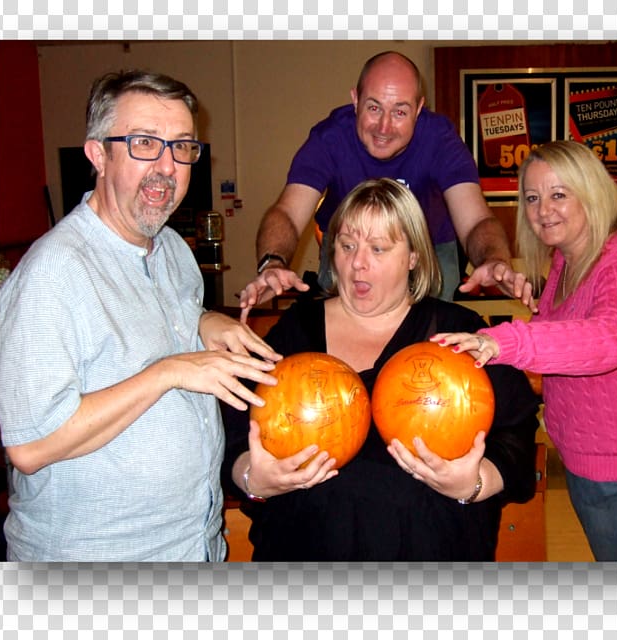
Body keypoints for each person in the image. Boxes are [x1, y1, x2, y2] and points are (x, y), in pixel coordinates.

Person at [0, 70, 282, 562]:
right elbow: (31, 445)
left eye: (182, 147)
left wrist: (202, 320)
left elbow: (154, 317)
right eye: (145, 143)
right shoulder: (52, 274)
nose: (167, 166)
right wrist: (168, 373)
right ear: (98, 155)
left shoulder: (171, 248)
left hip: (195, 546)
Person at [223, 178, 541, 561]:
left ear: (413, 257)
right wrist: (253, 478)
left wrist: (474, 483)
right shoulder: (295, 331)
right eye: (346, 245)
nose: (358, 263)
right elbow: (234, 428)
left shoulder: (461, 333)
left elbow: (517, 435)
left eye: (378, 248)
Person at [432, 140, 617, 561]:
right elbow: (566, 340)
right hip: (592, 459)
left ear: (592, 192)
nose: (543, 209)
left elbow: (611, 338)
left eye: (558, 194)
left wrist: (502, 340)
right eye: (532, 197)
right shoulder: (570, 258)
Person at [239, 50, 535, 321]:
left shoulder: (440, 140)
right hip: (347, 240)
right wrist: (273, 262)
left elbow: (475, 220)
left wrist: (494, 259)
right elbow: (288, 213)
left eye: (400, 112)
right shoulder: (330, 138)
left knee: (429, 330)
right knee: (342, 324)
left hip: (429, 242)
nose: (384, 127)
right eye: (374, 108)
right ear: (355, 100)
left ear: (419, 110)